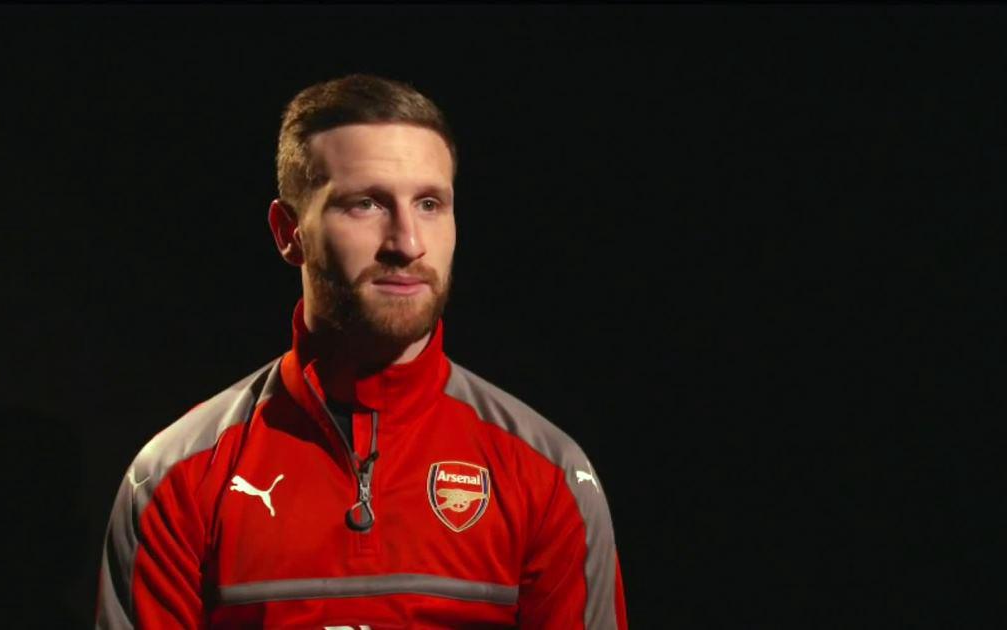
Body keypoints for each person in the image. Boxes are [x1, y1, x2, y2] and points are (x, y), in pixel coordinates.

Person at [96, 74, 628, 629]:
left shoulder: (549, 475)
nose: (408, 243)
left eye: (429, 203)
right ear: (288, 232)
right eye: (366, 204)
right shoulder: (176, 478)